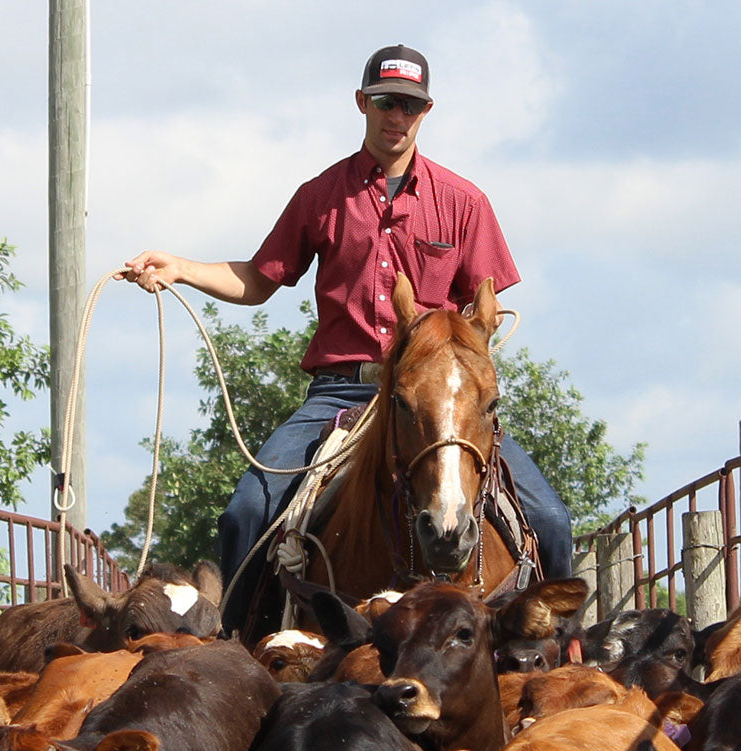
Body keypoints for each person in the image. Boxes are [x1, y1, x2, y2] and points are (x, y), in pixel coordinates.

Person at [124, 44, 572, 630]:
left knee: (554, 521)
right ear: (363, 103)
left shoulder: (465, 203)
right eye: (386, 102)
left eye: (410, 106)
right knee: (246, 511)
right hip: (339, 396)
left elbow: (483, 311)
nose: (397, 116)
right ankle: (233, 650)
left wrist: (453, 366)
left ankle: (565, 651)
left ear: (426, 111)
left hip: (437, 402)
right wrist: (181, 267)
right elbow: (260, 281)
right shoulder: (321, 195)